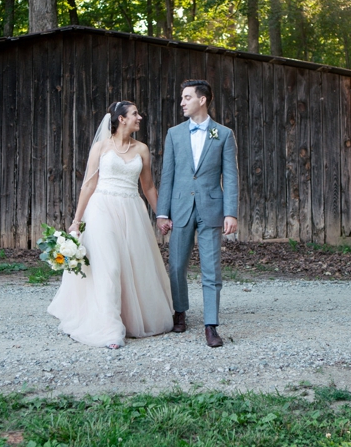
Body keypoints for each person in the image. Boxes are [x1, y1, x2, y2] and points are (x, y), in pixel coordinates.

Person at [47, 101, 174, 349]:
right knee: (110, 267)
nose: (140, 117)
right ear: (121, 119)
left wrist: (161, 216)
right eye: (135, 113)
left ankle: (128, 318)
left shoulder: (142, 149)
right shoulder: (101, 147)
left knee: (133, 266)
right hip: (102, 209)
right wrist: (76, 221)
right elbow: (88, 185)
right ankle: (109, 329)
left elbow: (148, 187)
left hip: (131, 210)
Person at [156, 80, 239, 348]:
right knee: (177, 266)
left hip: (211, 208)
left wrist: (231, 212)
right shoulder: (174, 133)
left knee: (211, 268)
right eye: (182, 97)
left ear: (202, 100)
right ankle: (180, 311)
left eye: (187, 97)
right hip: (179, 208)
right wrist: (161, 213)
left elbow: (231, 176)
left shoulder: (223, 134)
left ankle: (211, 325)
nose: (182, 102)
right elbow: (167, 176)